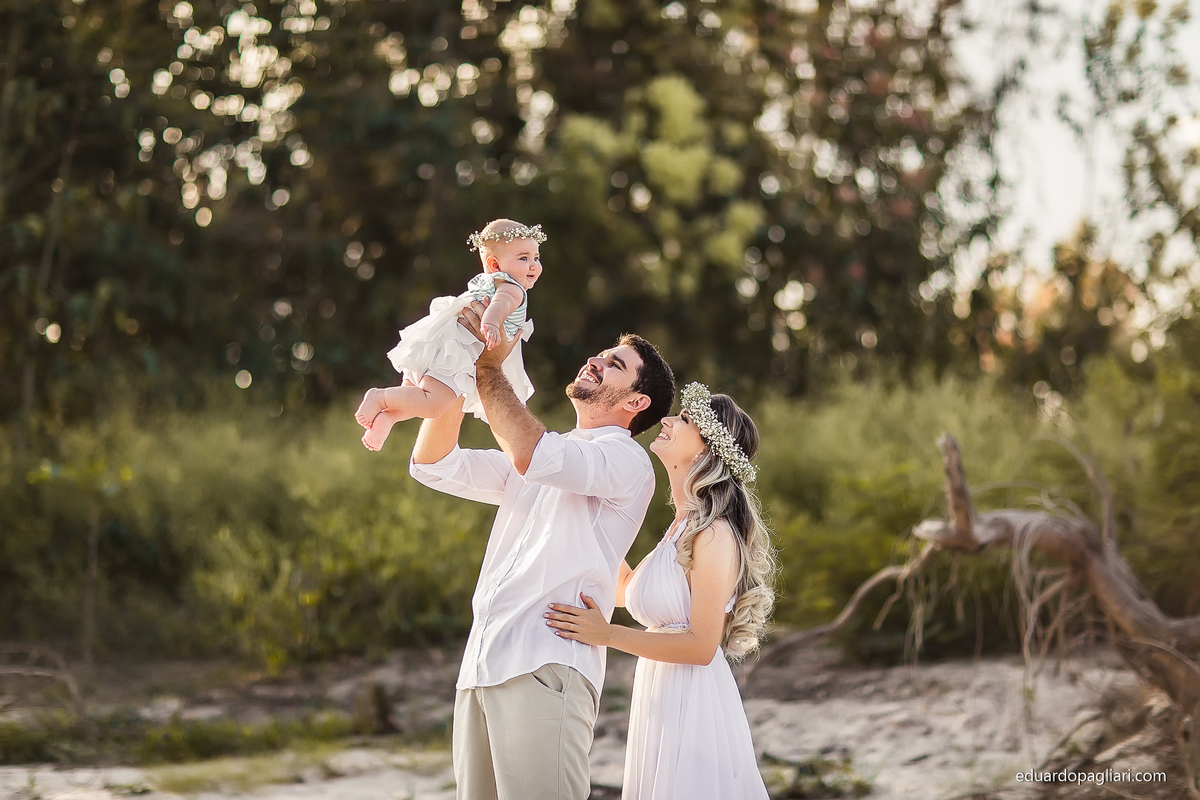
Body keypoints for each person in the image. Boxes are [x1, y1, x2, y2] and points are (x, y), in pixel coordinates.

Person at [409, 307, 676, 800]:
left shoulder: (625, 459)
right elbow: (434, 464)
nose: (596, 360)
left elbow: (531, 453)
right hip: (483, 664)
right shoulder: (549, 453)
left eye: (615, 364)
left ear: (636, 401)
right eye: (602, 354)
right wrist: (455, 368)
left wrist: (489, 368)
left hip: (546, 664)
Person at [545, 382, 776, 800]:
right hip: (660, 691)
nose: (667, 420)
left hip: (693, 699)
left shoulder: (714, 534)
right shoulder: (679, 530)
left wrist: (606, 634)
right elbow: (626, 591)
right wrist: (590, 507)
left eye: (684, 419)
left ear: (706, 453)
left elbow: (702, 645)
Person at [355, 218, 544, 451]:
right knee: (434, 405)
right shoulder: (512, 288)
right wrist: (492, 325)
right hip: (456, 352)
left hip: (438, 343)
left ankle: (387, 418)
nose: (534, 265)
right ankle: (380, 397)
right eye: (524, 258)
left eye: (536, 258)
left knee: (415, 396)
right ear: (495, 265)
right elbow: (500, 304)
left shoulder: (486, 281)